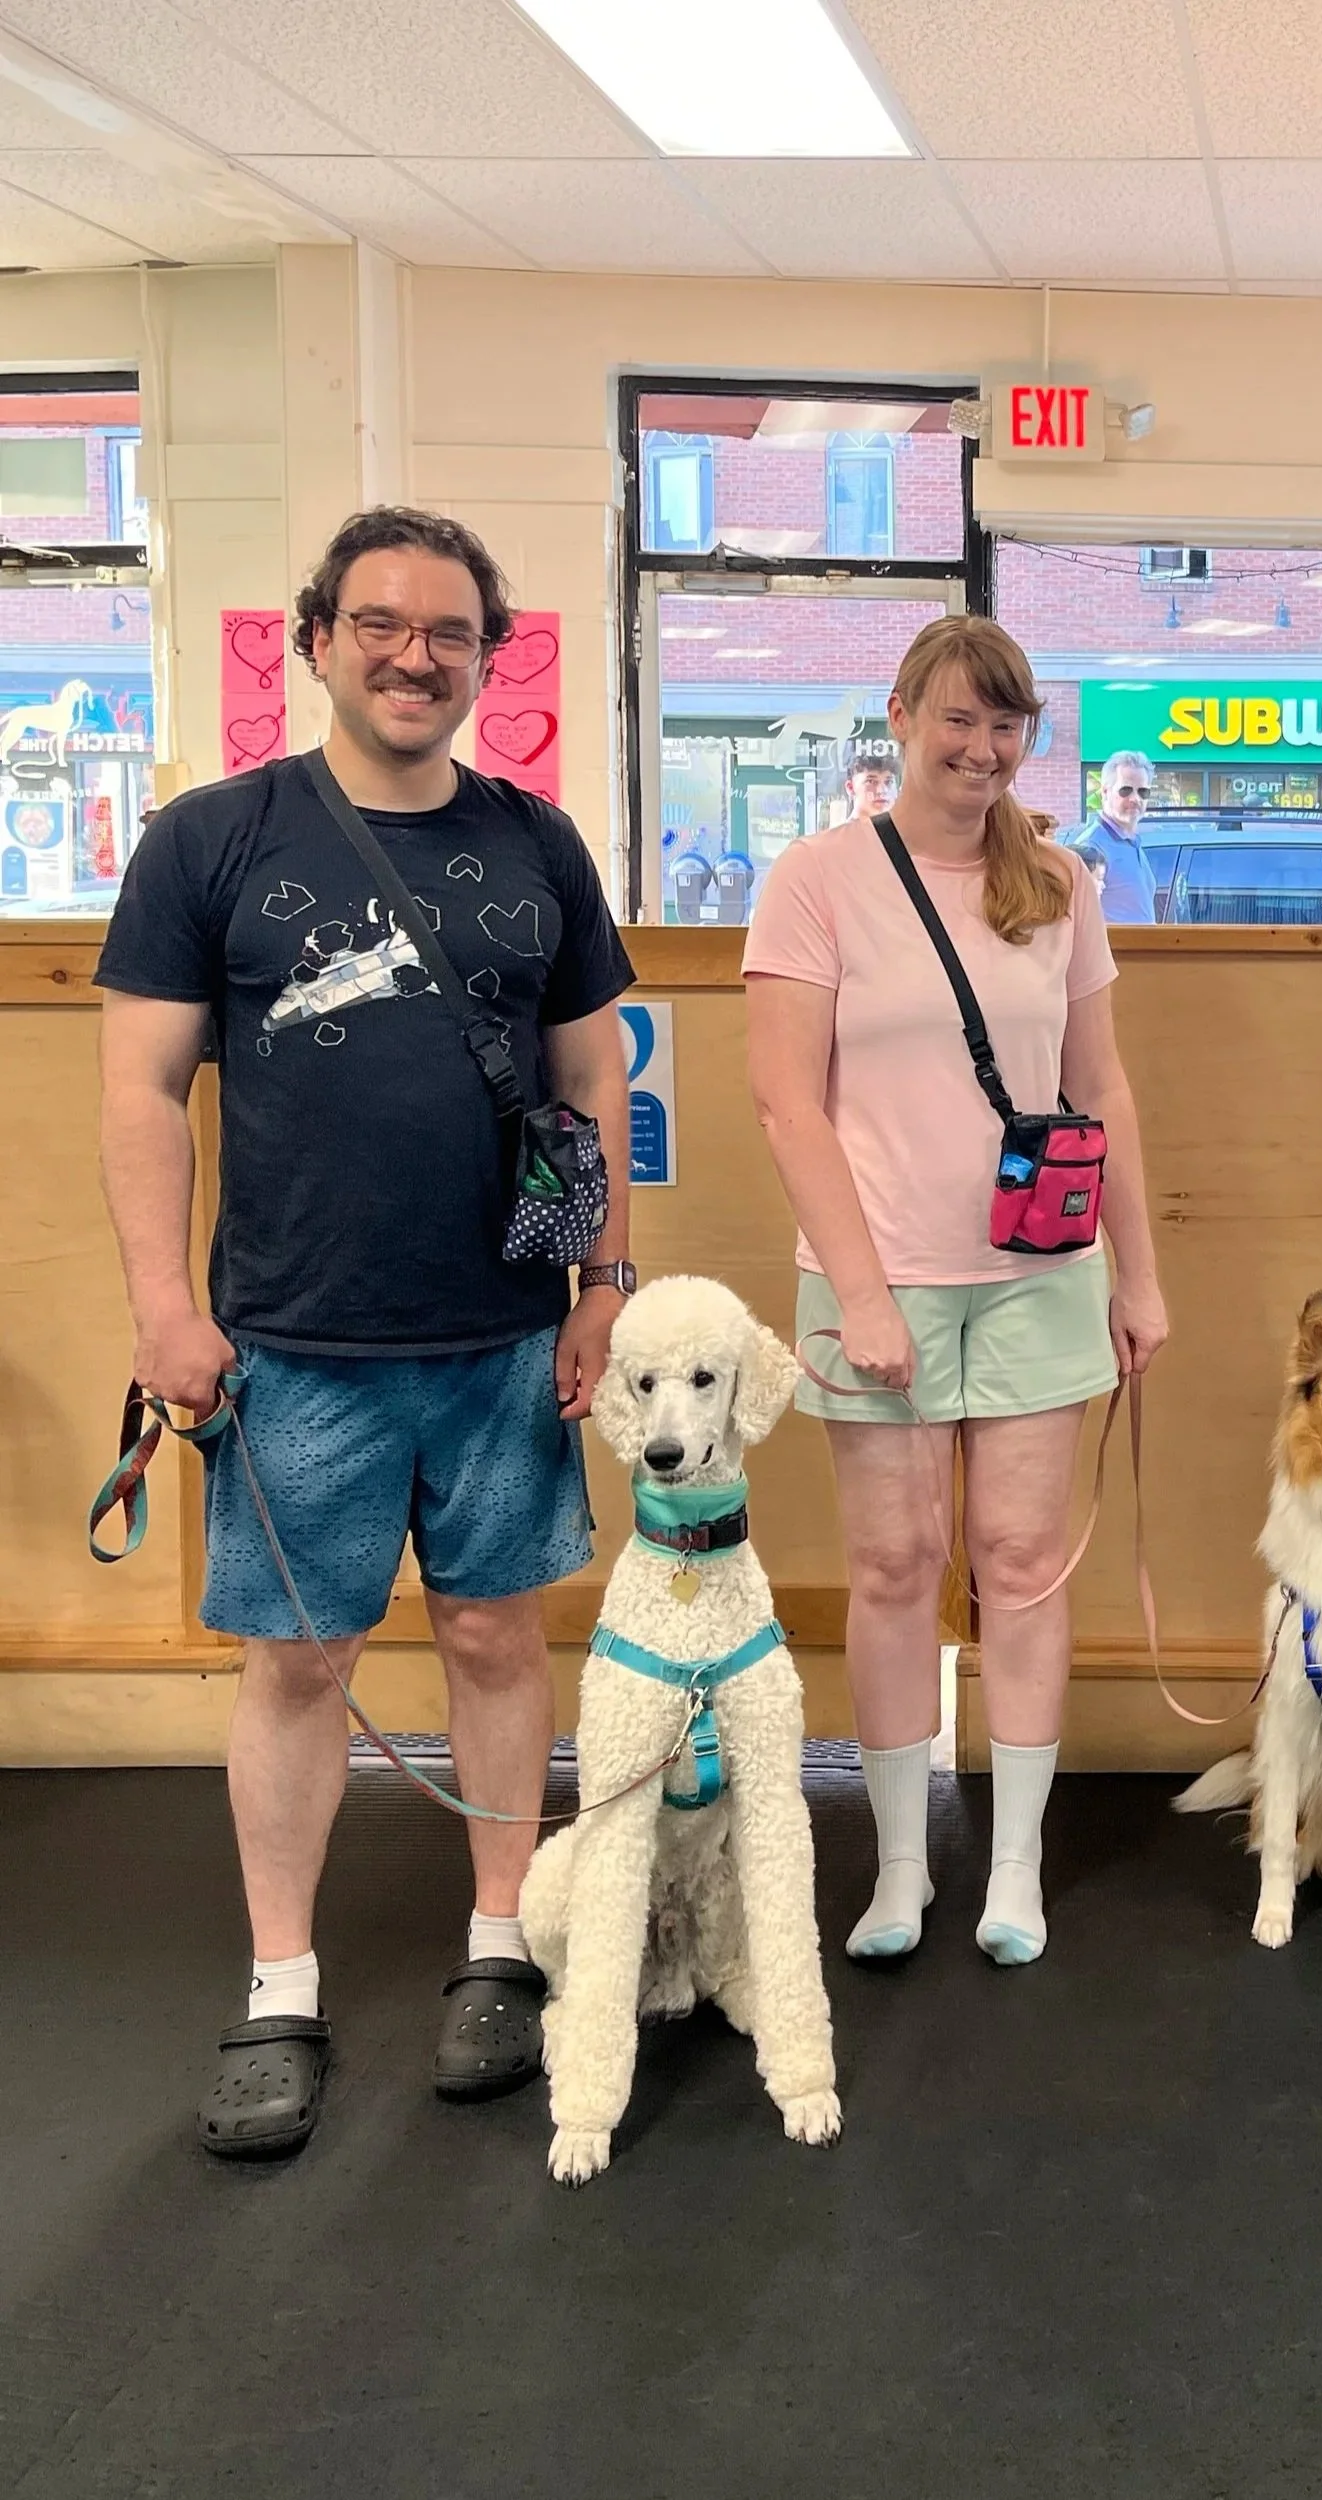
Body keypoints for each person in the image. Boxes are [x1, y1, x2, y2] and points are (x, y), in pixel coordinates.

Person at [95, 506, 637, 2158]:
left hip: (496, 1341)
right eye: (384, 625)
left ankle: (499, 1947)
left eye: (453, 633)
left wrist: (605, 1283)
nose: (417, 656)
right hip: (292, 1346)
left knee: (493, 1641)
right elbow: (141, 1085)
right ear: (318, 638)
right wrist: (165, 1307)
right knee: (295, 1668)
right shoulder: (211, 839)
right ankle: (280, 1989)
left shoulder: (541, 844)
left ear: (488, 656)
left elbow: (593, 1077)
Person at [744, 616, 1168, 1967]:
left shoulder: (1060, 883)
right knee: (891, 1567)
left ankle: (1016, 1871)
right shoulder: (814, 880)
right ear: (903, 715)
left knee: (1025, 1568)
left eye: (1007, 724)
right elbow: (785, 1105)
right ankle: (897, 1871)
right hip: (878, 1281)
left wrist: (1139, 1277)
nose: (980, 748)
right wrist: (862, 1296)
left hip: (1042, 1274)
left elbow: (1098, 1094)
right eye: (958, 719)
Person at [1064, 748, 1159, 924]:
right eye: (1126, 790)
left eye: (1143, 792)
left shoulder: (1133, 843)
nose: (1135, 799)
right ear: (1105, 792)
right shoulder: (1091, 847)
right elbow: (1076, 920)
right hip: (1113, 950)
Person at [834, 729, 901, 827]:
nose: (881, 790)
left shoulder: (905, 836)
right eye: (871, 781)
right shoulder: (837, 839)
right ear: (850, 788)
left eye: (889, 781)